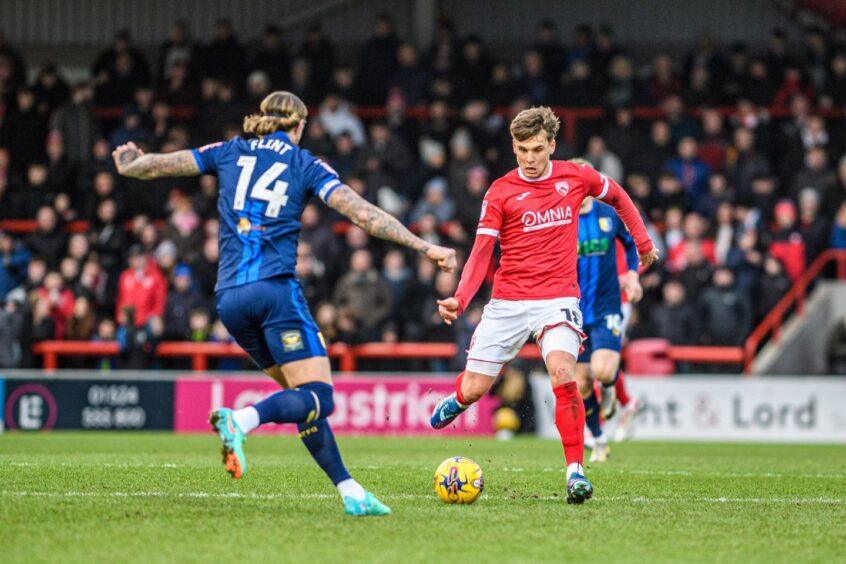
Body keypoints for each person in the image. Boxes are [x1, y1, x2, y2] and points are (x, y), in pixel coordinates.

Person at [112, 90, 455, 517]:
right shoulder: (303, 163)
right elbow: (364, 214)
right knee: (321, 398)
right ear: (299, 125)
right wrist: (424, 246)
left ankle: (350, 491)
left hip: (230, 300)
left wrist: (132, 163)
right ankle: (241, 421)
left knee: (302, 399)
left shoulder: (229, 150)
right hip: (274, 293)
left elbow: (162, 164)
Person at [430, 107, 657, 504]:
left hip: (559, 298)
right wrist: (461, 299)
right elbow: (482, 252)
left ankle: (575, 473)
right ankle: (460, 399)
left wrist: (643, 243)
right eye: (521, 150)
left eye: (537, 149)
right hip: (509, 302)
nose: (530, 158)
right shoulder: (500, 191)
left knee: (563, 372)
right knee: (475, 387)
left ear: (552, 145)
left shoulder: (575, 176)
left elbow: (618, 196)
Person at [571, 159, 643, 463]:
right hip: (572, 310)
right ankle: (599, 439)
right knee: (582, 382)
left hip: (606, 305)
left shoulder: (608, 215)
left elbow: (630, 244)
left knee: (601, 370)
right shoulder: (563, 220)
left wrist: (632, 274)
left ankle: (612, 387)